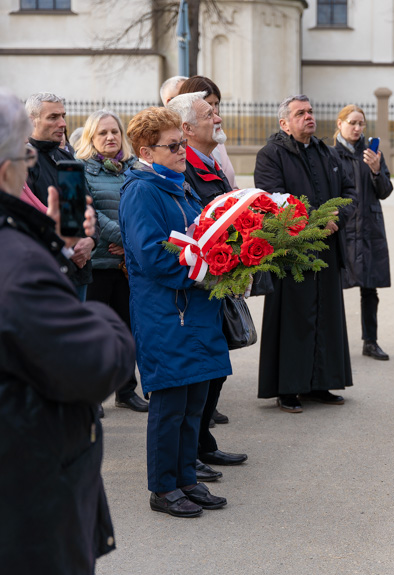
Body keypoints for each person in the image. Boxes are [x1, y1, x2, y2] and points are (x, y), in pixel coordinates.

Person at [0, 84, 136, 575]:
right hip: (11, 510)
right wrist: (102, 316)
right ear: (0, 169)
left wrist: (54, 251)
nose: (29, 163)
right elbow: (99, 364)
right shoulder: (11, 261)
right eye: (25, 153)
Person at [120, 107, 230, 517]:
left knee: (193, 400)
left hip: (193, 309)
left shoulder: (176, 184)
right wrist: (204, 273)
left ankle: (187, 478)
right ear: (147, 152)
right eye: (173, 145)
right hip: (166, 312)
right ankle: (163, 488)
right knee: (170, 405)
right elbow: (151, 256)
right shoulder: (143, 191)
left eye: (182, 143)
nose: (183, 150)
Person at [254, 94, 357, 413]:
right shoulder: (271, 155)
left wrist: (336, 218)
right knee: (292, 321)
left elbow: (350, 191)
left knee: (326, 318)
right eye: (300, 113)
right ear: (284, 123)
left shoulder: (328, 153)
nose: (309, 117)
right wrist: (315, 222)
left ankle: (320, 383)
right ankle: (287, 388)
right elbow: (272, 199)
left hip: (326, 250)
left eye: (311, 111)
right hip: (291, 252)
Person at [167, 91, 248, 476]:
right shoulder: (185, 168)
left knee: (215, 367)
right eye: (208, 113)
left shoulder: (210, 163)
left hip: (220, 278)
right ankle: (192, 453)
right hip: (201, 282)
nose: (216, 118)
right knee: (201, 370)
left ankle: (202, 444)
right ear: (186, 128)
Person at [75, 110, 148, 413]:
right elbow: (90, 213)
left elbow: (141, 210)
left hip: (126, 266)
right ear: (91, 137)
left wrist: (129, 246)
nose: (110, 137)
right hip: (98, 264)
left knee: (126, 329)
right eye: (102, 133)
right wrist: (125, 240)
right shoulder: (81, 170)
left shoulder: (134, 169)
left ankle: (125, 389)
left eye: (114, 132)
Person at [333, 104, 394, 361]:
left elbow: (385, 191)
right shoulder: (329, 155)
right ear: (340, 124)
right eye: (352, 123)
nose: (357, 128)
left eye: (361, 124)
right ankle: (334, 342)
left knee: (369, 288)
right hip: (342, 228)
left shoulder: (372, 153)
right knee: (333, 288)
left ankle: (371, 341)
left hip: (369, 228)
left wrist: (377, 170)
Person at [25, 92, 97, 301]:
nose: (63, 123)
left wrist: (90, 240)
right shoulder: (22, 161)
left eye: (63, 116)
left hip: (79, 269)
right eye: (53, 117)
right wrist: (68, 247)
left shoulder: (67, 157)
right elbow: (29, 217)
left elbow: (88, 206)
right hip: (47, 273)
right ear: (32, 120)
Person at [177, 75, 237, 189]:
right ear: (188, 127)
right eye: (209, 107)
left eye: (216, 104)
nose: (216, 112)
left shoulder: (214, 142)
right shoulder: (181, 165)